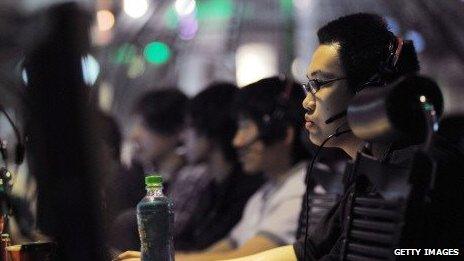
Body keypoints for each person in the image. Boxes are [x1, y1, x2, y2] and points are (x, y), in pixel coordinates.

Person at [219, 13, 464, 261]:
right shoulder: (372, 167)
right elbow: (306, 253)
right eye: (308, 85)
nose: (306, 102)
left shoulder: (419, 174)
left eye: (321, 83)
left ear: (370, 89)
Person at [117, 76, 311, 261]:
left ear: (283, 134)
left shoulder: (300, 189)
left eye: (245, 127)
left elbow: (246, 257)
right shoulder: (266, 192)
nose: (237, 141)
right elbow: (226, 248)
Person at [173, 82, 264, 251]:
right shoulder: (212, 186)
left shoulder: (248, 190)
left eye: (189, 127)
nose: (182, 136)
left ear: (210, 128)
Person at [109, 89, 188, 251]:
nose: (134, 136)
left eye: (144, 126)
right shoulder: (132, 176)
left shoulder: (194, 181)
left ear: (175, 129)